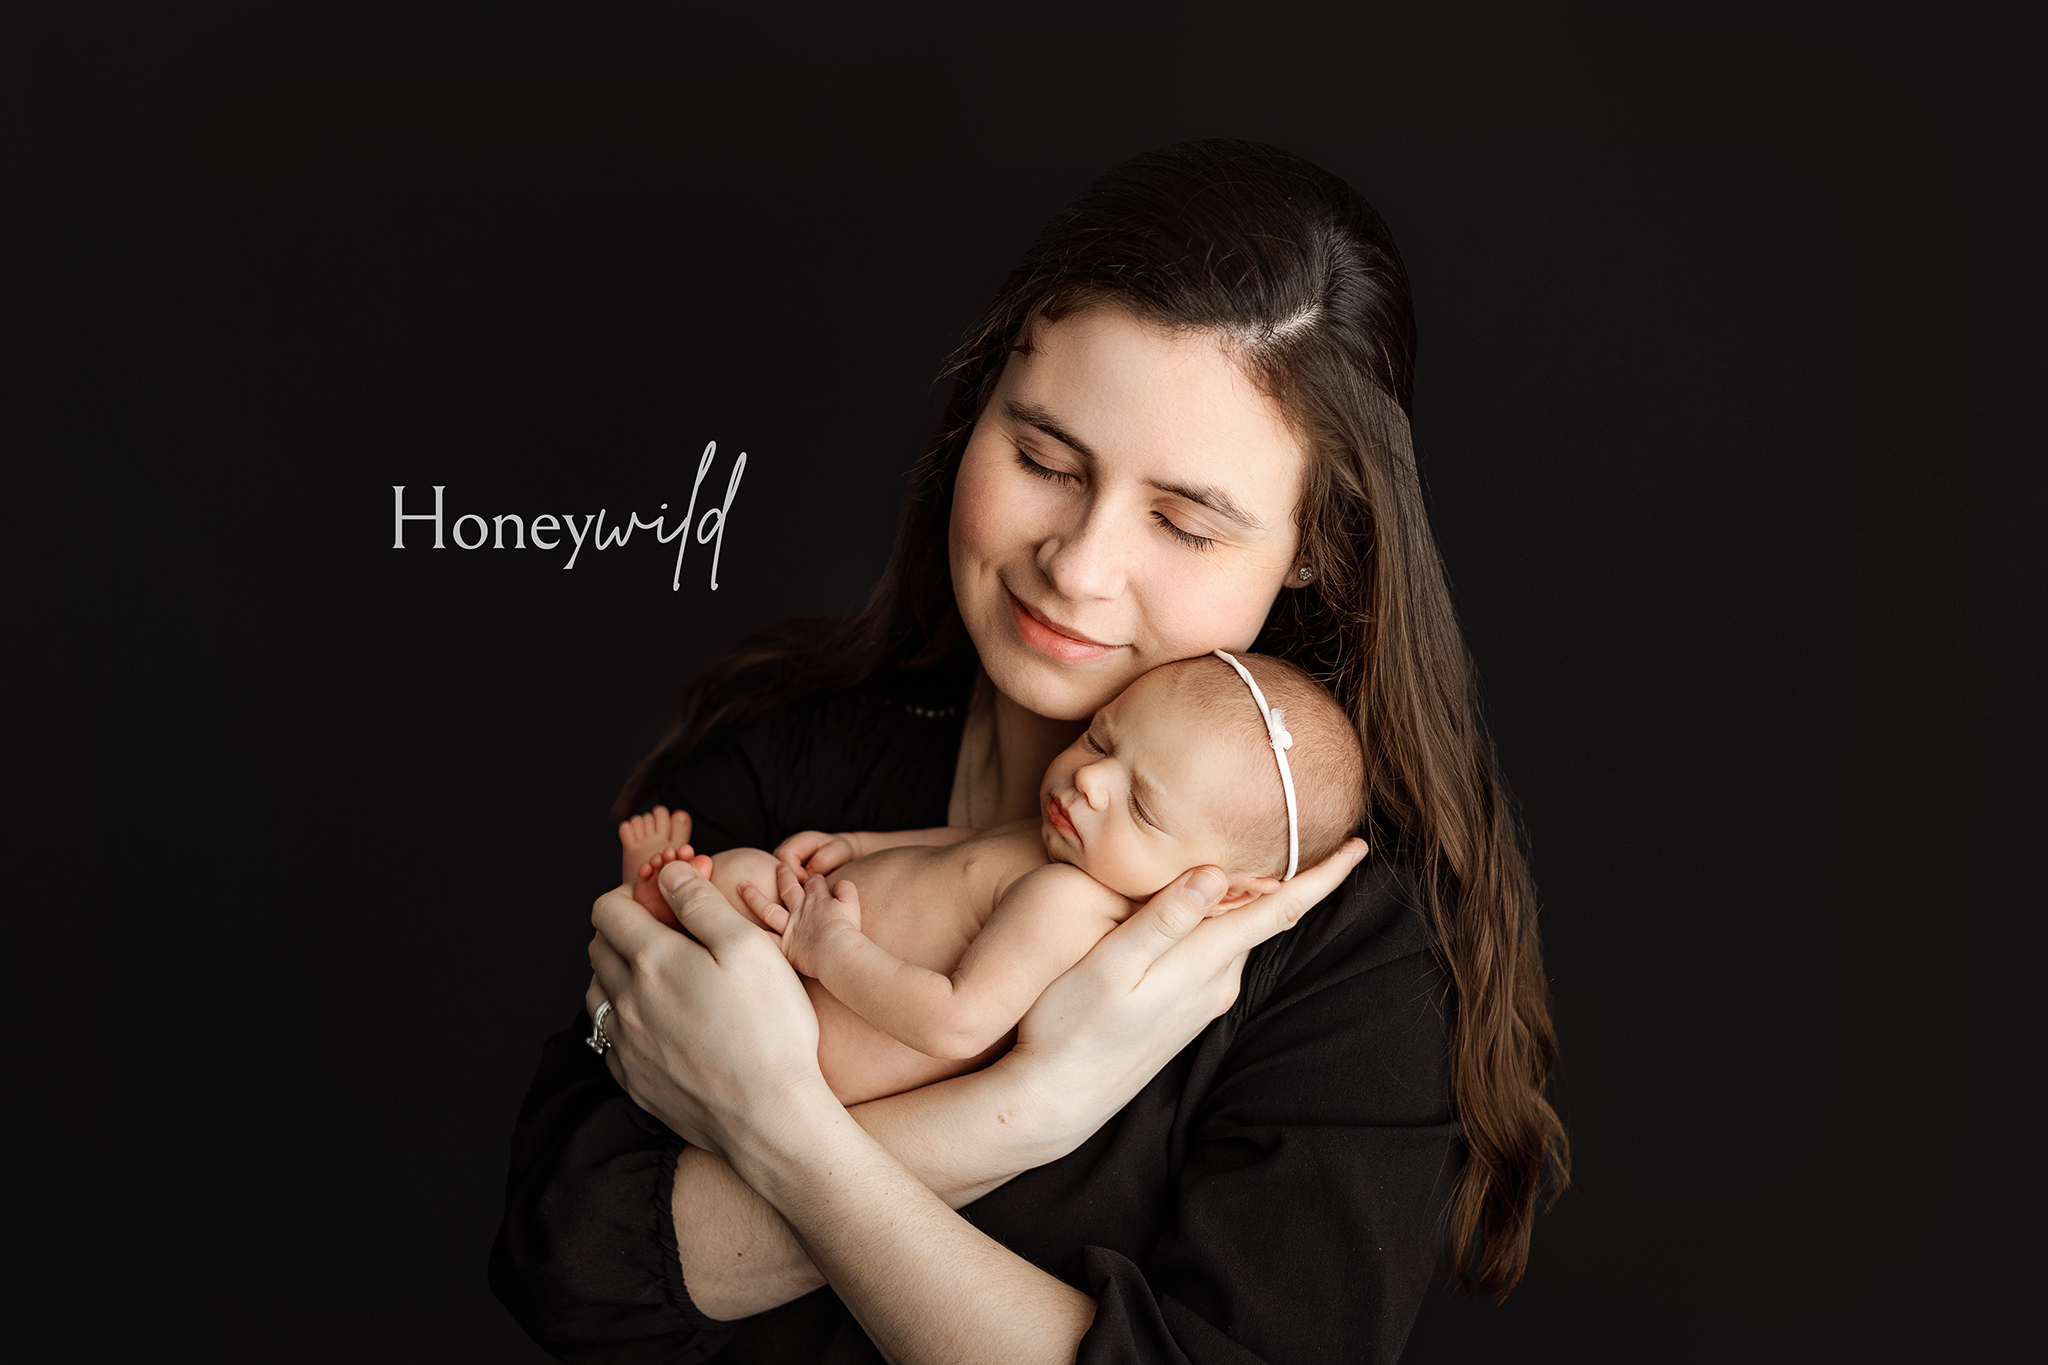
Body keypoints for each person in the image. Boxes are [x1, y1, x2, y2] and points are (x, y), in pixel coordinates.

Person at [491, 138, 1569, 1364]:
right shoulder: (785, 763)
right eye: (1043, 460)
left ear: (1316, 547)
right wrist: (1006, 1114)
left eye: (1182, 522)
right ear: (974, 418)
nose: (1079, 563)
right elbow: (563, 1264)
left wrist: (780, 1126)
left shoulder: (1342, 951)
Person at [617, 652, 1365, 1107]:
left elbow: (956, 1021)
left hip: (817, 1032)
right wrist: (862, 841)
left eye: (1141, 803)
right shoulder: (1069, 842)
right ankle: (653, 913)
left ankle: (651, 910)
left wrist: (826, 949)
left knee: (739, 893)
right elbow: (965, 847)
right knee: (746, 868)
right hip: (811, 949)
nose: (1091, 779)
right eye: (1099, 736)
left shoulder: (1071, 906)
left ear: (1228, 891)